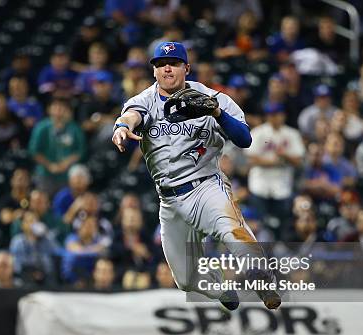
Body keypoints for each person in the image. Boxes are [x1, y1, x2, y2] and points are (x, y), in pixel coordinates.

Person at [111, 41, 280, 310]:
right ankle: (221, 288)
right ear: (153, 71)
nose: (167, 68)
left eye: (174, 63)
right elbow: (132, 116)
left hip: (205, 187)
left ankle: (261, 278)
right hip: (169, 200)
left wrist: (217, 112)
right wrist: (121, 127)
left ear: (187, 68)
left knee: (232, 231)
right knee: (186, 279)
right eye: (160, 64)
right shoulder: (144, 100)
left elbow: (245, 139)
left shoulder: (214, 99)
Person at [245, 102, 304, 238]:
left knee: (281, 227)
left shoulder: (292, 134)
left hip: (282, 186)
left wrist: (284, 155)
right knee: (260, 225)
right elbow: (250, 159)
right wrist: (272, 162)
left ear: (283, 116)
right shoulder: (258, 132)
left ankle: (280, 255)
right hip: (260, 185)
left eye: (276, 114)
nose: (273, 118)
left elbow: (299, 161)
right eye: (271, 115)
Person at [28, 98, 86, 193]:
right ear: (49, 109)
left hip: (67, 173)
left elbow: (81, 150)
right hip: (45, 172)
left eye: (62, 107)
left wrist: (65, 163)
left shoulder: (74, 128)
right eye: (55, 107)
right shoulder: (42, 127)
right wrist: (50, 165)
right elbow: (34, 150)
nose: (59, 110)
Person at [9, 211, 59, 286]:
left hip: (45, 276)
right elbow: (17, 265)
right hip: (25, 276)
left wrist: (46, 233)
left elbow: (56, 251)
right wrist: (32, 272)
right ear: (23, 225)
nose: (32, 224)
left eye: (35, 221)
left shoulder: (46, 239)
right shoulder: (17, 241)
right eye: (29, 221)